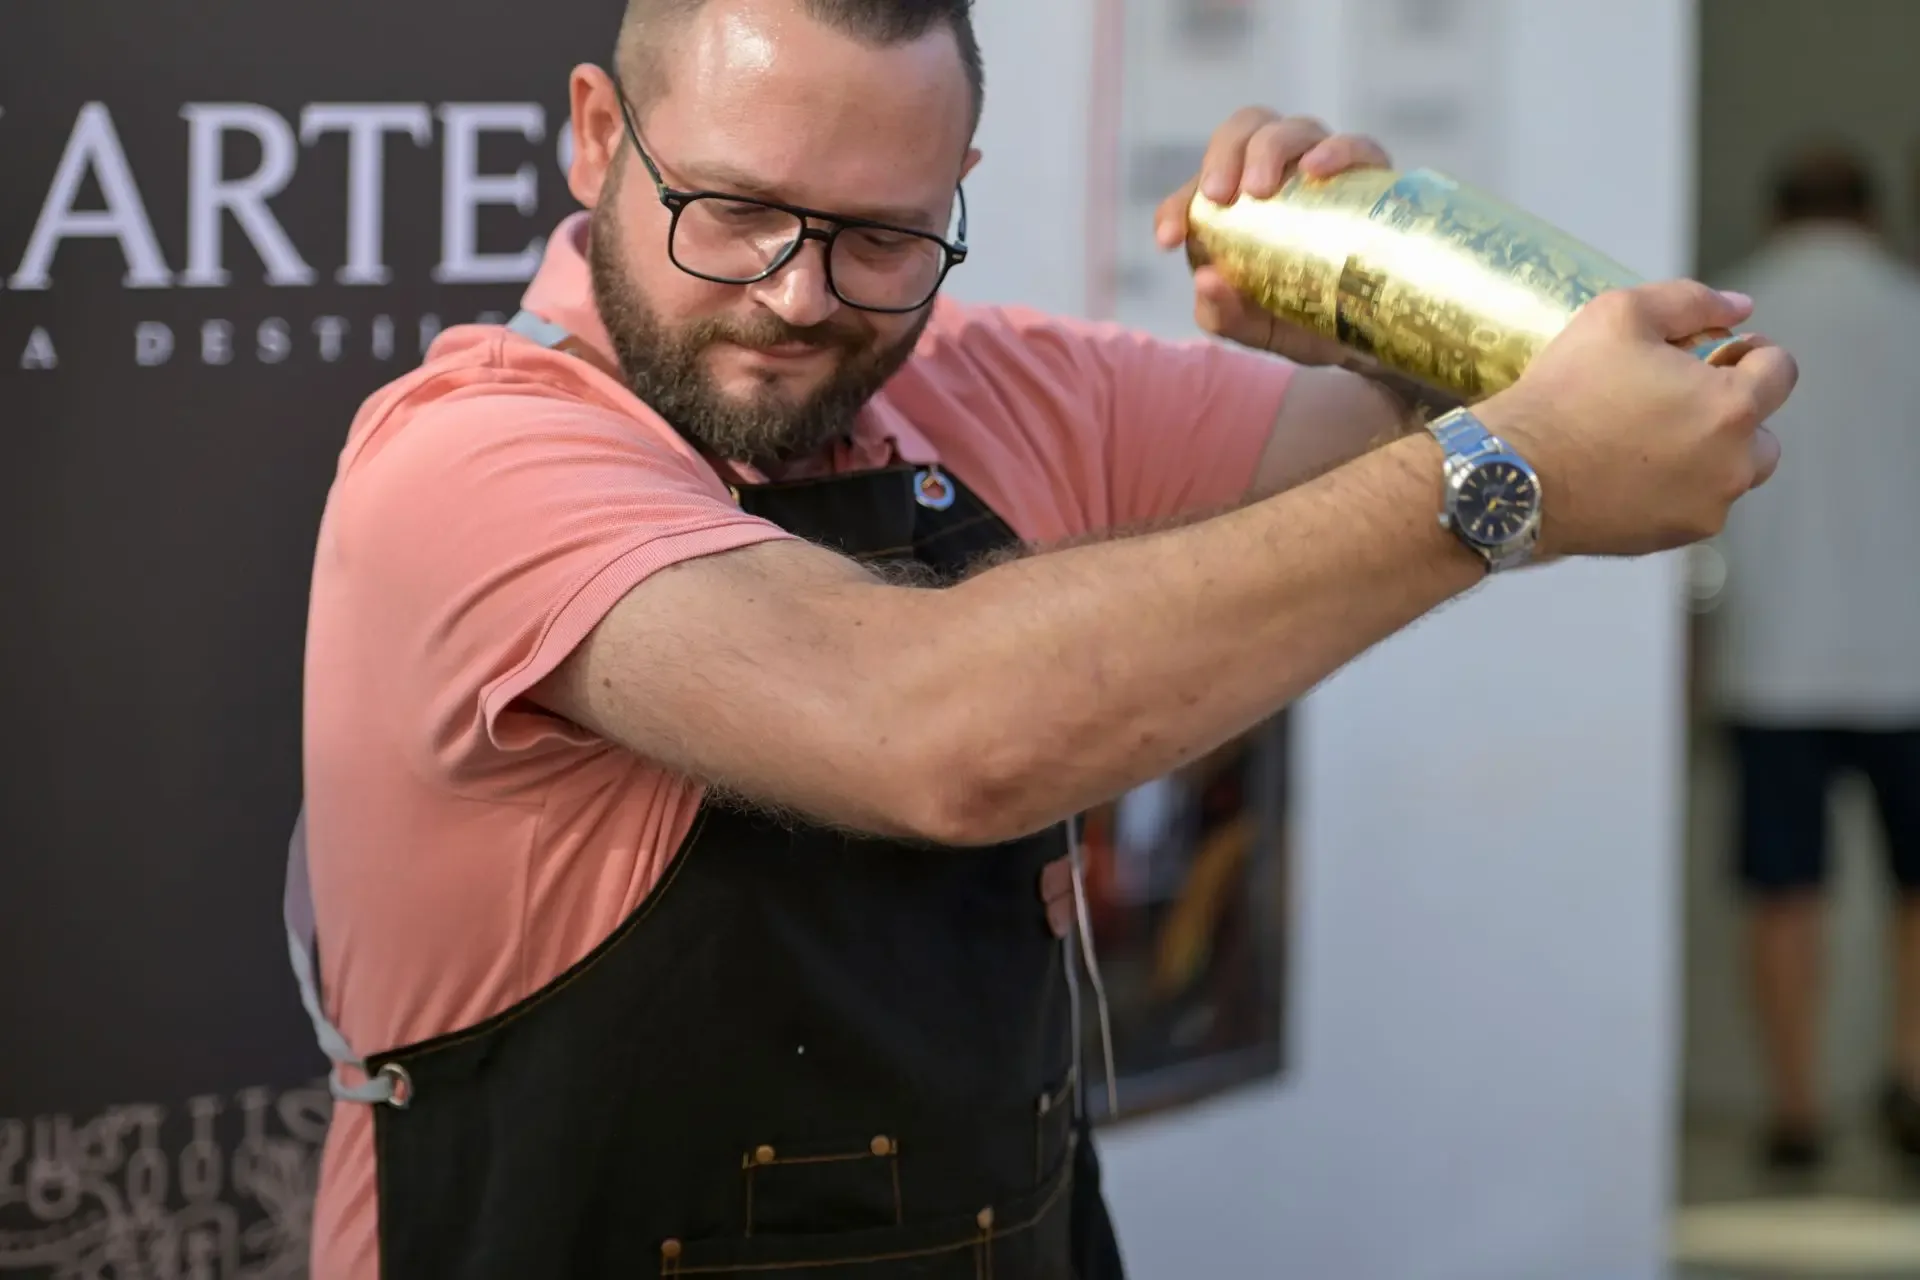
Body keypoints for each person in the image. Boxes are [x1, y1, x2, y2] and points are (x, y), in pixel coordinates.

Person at [287, 0, 1793, 1274]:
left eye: (880, 234)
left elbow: (1573, 415)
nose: (798, 297)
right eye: (734, 211)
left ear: (956, 190)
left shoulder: (993, 390)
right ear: (597, 137)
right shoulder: (470, 460)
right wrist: (1500, 478)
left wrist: (1383, 285)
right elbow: (931, 730)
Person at [1705, 144, 1920, 1172]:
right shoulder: (1910, 310)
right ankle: (1911, 1074)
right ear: (1872, 214)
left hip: (1775, 652)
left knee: (1785, 889)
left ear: (1777, 213)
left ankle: (1795, 1107)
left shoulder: (1730, 325)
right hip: (1909, 651)